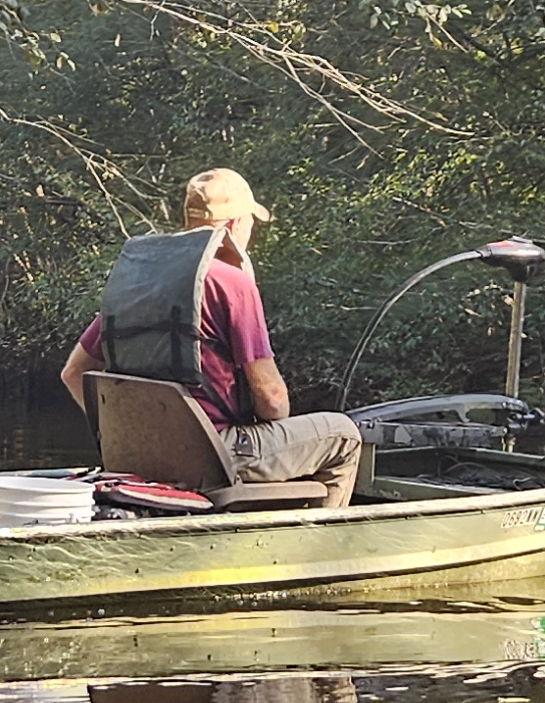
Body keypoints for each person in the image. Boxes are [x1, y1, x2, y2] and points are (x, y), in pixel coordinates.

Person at [59, 167, 364, 506]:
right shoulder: (232, 282)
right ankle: (319, 548)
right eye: (250, 221)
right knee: (343, 435)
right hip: (215, 452)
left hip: (138, 452)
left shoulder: (138, 283)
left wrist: (125, 436)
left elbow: (73, 373)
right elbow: (273, 400)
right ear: (235, 224)